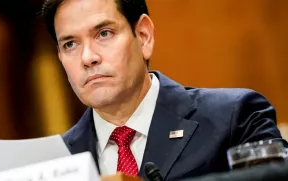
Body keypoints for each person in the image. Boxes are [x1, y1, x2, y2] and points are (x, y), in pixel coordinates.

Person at [40, 0, 288, 180]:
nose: (88, 57)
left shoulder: (236, 116)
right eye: (70, 44)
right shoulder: (55, 162)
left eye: (104, 33)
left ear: (144, 36)